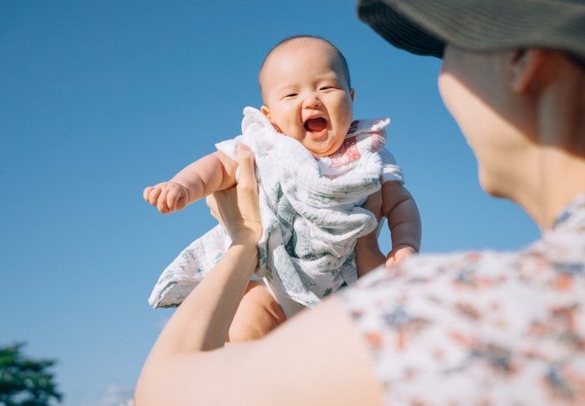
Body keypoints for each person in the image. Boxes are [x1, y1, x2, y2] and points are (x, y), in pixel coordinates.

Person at [135, 0, 585, 406]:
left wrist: (242, 244)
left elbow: (168, 398)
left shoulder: (454, 315)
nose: (444, 80)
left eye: (450, 50)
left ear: (524, 61)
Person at [142, 35, 421, 341]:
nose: (311, 100)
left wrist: (404, 245)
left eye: (326, 87)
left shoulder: (368, 154)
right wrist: (183, 185)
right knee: (249, 325)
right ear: (269, 116)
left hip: (345, 288)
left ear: (351, 97)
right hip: (274, 283)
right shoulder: (266, 145)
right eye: (291, 95)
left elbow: (399, 203)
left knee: (372, 338)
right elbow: (219, 166)